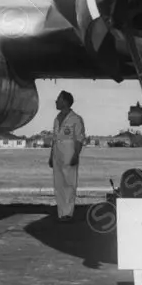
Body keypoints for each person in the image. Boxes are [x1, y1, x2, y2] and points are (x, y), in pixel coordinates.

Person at [49, 90, 84, 222]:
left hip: (70, 151)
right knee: (58, 184)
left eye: (58, 98)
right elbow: (54, 138)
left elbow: (79, 139)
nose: (56, 101)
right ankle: (61, 211)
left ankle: (67, 212)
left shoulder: (76, 119)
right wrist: (51, 156)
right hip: (57, 152)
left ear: (65, 101)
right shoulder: (57, 119)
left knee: (69, 183)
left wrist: (76, 154)